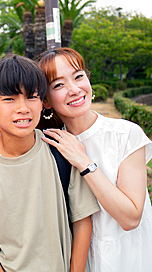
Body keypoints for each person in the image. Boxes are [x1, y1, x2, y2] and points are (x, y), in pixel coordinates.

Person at [0, 54, 100, 272]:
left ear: (42, 102)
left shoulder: (59, 150)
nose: (23, 108)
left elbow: (82, 220)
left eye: (32, 97)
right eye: (9, 99)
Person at [38, 47, 152, 271]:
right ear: (46, 101)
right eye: (58, 85)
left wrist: (83, 162)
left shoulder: (125, 134)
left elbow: (130, 218)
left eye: (78, 76)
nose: (74, 89)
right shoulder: (49, 143)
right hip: (79, 263)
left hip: (129, 260)